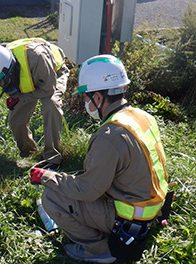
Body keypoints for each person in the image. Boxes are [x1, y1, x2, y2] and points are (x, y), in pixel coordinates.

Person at [30, 54, 169, 263]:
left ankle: (98, 250)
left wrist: (47, 177)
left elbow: (87, 190)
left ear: (98, 97)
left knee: (51, 197)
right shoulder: (142, 116)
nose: (86, 102)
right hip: (152, 208)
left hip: (130, 218)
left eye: (86, 97)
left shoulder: (110, 136)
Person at [0, 38, 70, 168]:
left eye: (0, 82)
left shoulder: (37, 57)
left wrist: (19, 98)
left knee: (51, 105)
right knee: (16, 119)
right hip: (26, 81)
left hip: (52, 73)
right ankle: (29, 153)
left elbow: (47, 89)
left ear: (8, 71)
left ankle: (52, 158)